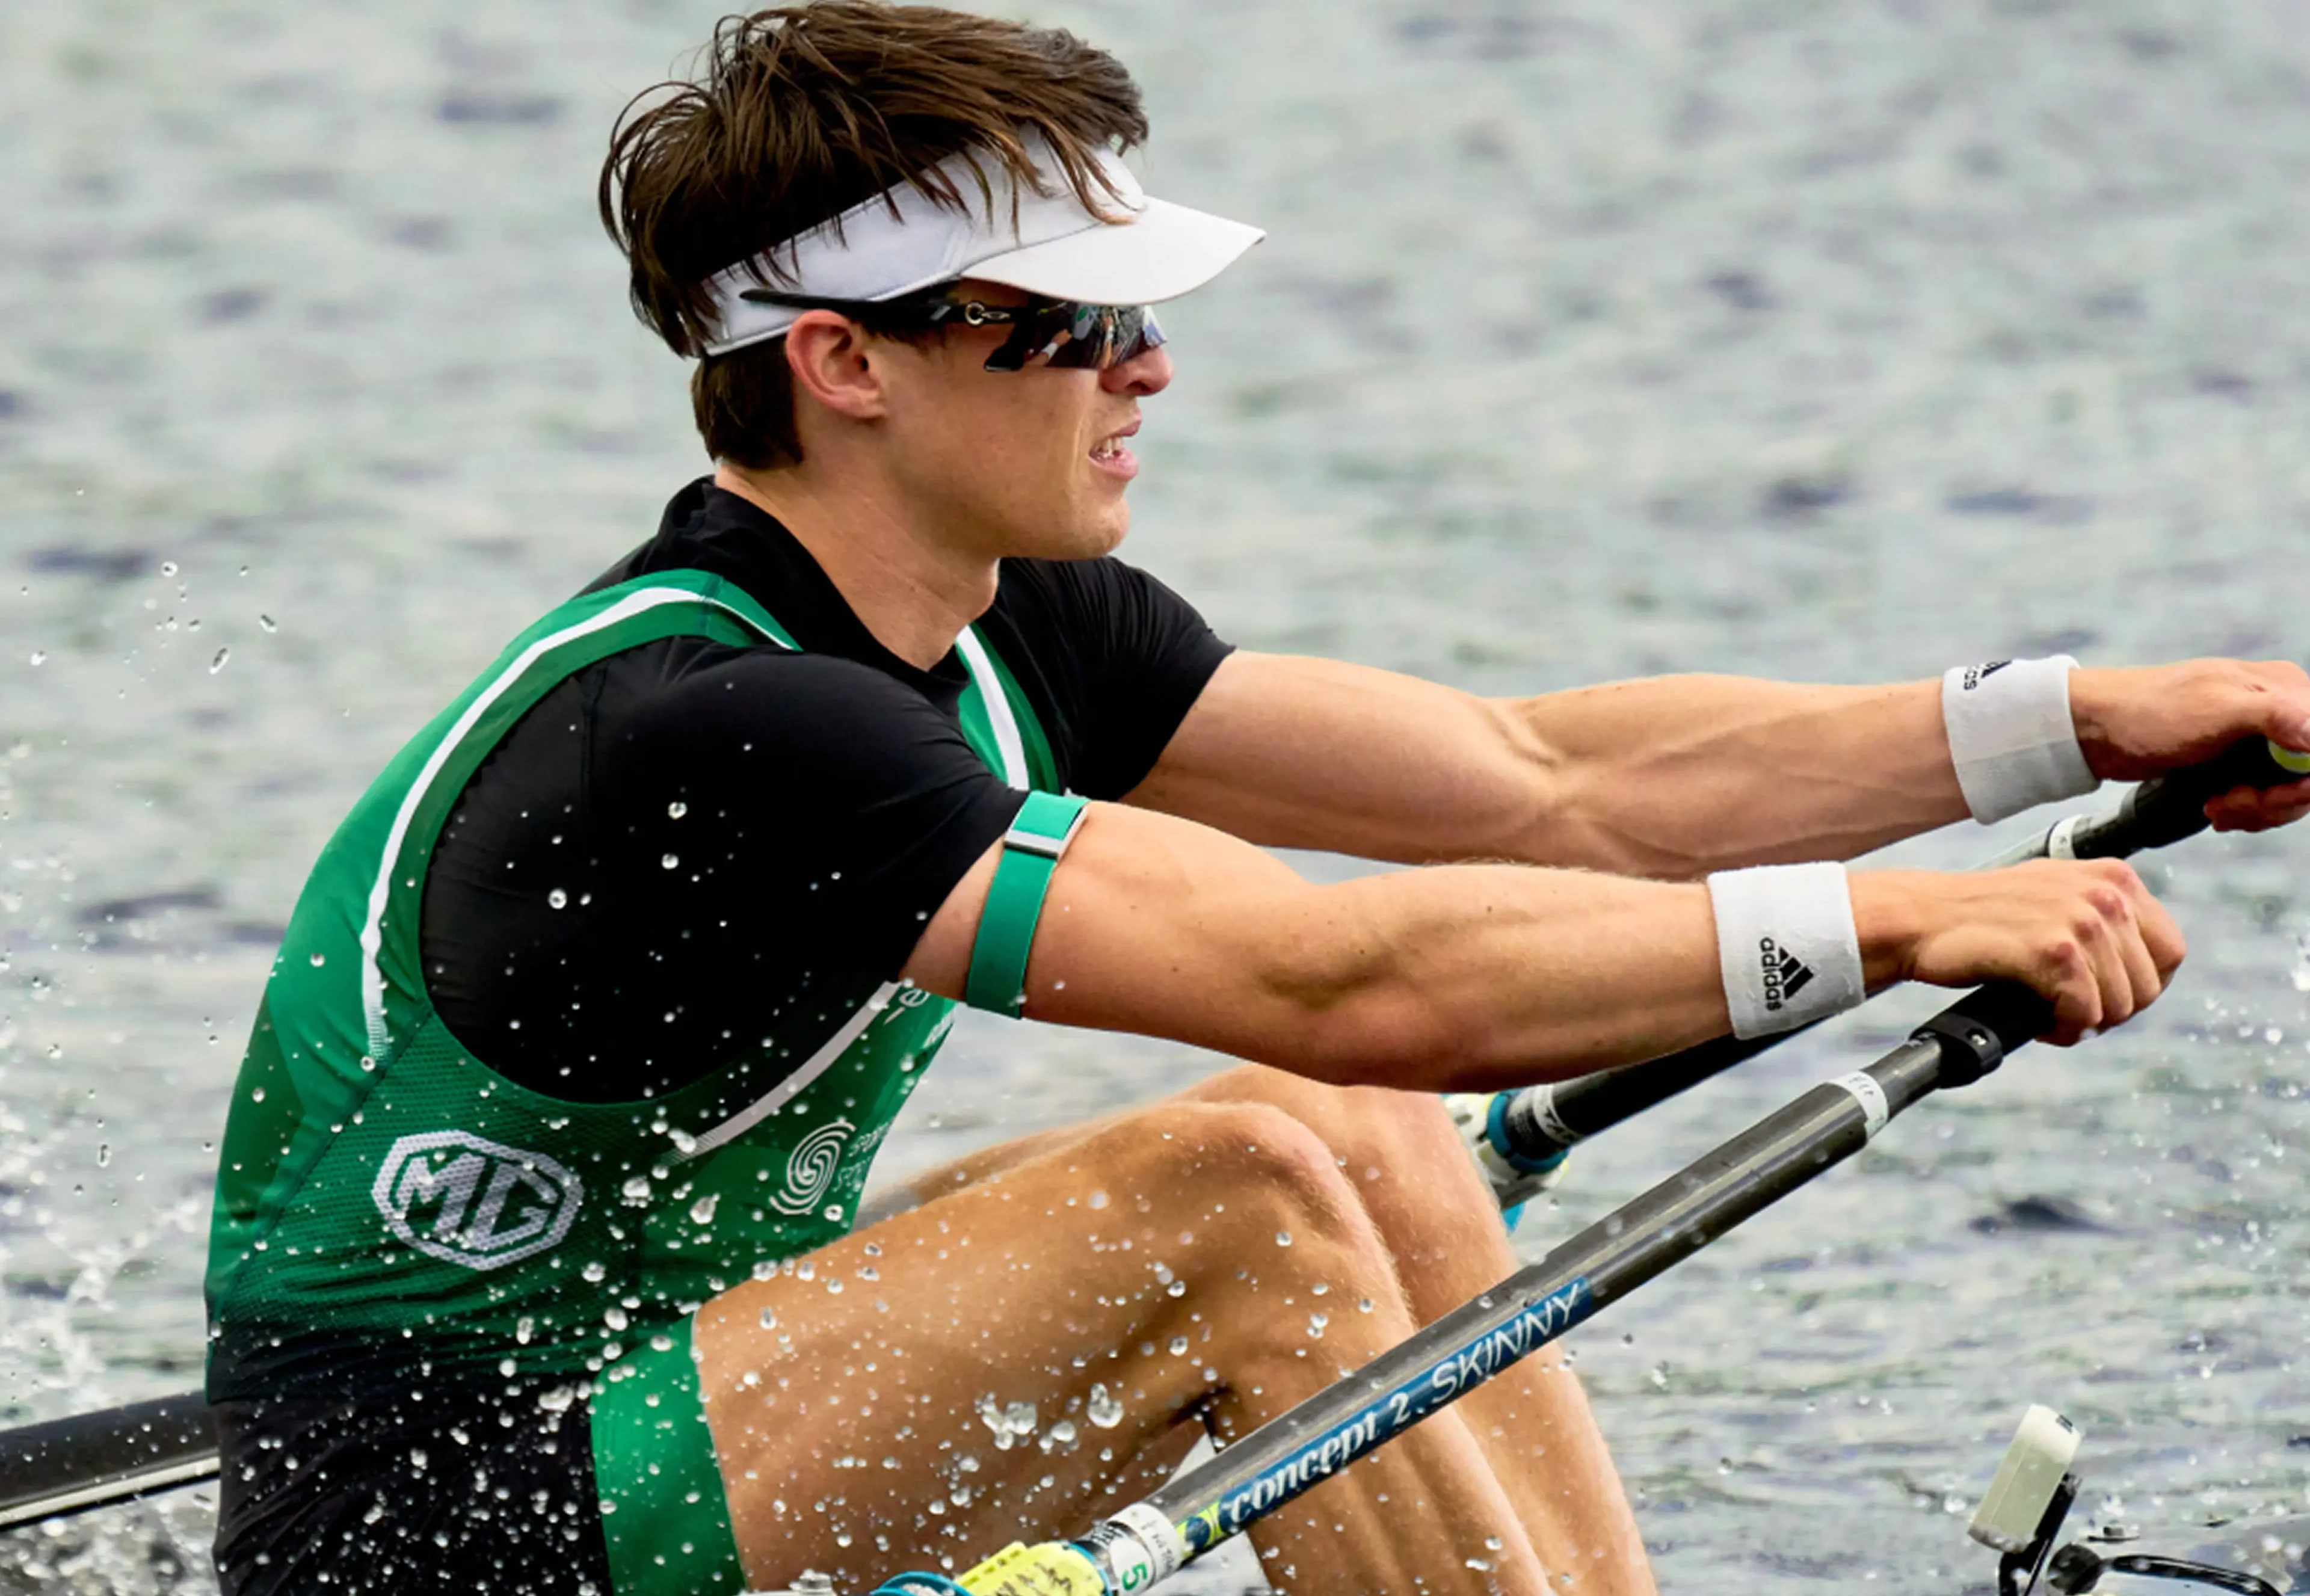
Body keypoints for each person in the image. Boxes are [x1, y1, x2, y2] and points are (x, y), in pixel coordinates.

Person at [199, 5, 2310, 1595]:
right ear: (845, 365)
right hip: (438, 1516)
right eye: (1078, 322)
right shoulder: (718, 717)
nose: (1148, 367)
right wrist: (1892, 920)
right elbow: (1333, 974)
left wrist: (2083, 719)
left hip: (675, 1374)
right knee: (1235, 1194)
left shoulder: (1021, 623)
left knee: (1352, 1139)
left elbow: (1551, 784)